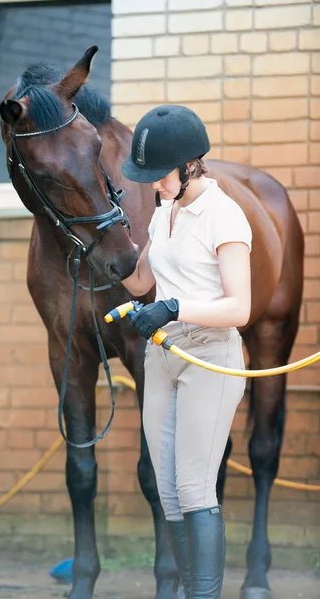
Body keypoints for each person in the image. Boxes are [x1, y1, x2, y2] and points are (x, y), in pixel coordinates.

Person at [120, 105, 252, 599]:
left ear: (190, 165)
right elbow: (139, 280)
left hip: (210, 357)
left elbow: (239, 307)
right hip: (163, 357)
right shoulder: (163, 214)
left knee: (196, 489)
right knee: (169, 492)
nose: (153, 185)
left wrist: (173, 307)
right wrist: (100, 239)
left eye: (158, 176)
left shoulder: (224, 215)